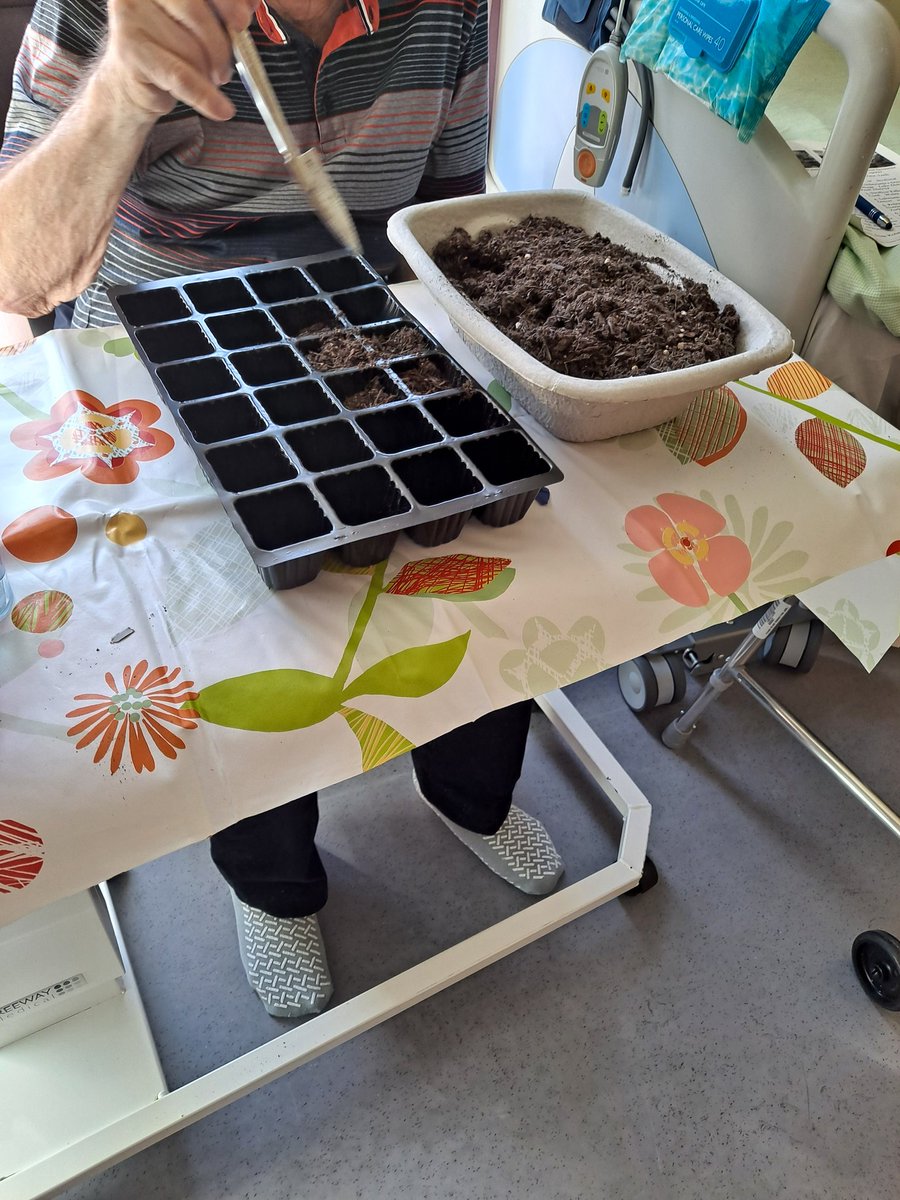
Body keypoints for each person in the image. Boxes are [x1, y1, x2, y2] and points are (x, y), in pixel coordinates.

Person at [0, 0, 565, 1017]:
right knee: (240, 644)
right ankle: (273, 885)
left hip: (359, 321)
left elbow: (445, 213)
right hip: (156, 349)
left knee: (481, 576)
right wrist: (120, 96)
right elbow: (16, 268)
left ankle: (469, 796)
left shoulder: (450, 13)